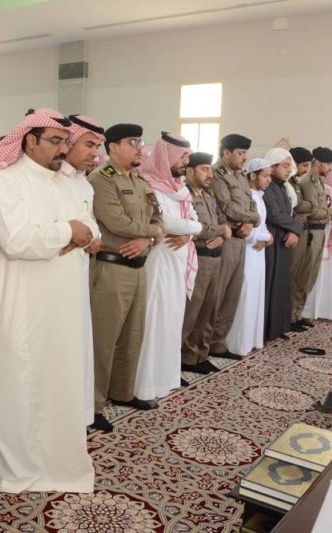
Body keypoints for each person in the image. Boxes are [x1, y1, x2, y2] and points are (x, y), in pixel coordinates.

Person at [0, 108, 97, 493]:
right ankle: (16, 468)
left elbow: (91, 229)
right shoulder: (4, 181)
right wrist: (67, 231)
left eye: (65, 141)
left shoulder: (66, 183)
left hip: (63, 306)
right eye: (55, 141)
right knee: (20, 387)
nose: (63, 149)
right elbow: (16, 240)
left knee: (59, 383)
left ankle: (57, 463)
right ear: (29, 141)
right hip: (21, 306)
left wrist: (70, 233)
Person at [88, 123, 163, 432]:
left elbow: (158, 218)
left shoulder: (141, 181)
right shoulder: (101, 180)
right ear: (113, 147)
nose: (139, 148)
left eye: (140, 142)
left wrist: (149, 237)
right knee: (104, 338)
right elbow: (116, 222)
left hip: (139, 267)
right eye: (133, 142)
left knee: (132, 335)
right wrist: (153, 233)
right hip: (112, 269)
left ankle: (122, 391)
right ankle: (93, 404)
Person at [135, 132, 198, 402]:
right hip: (158, 261)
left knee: (172, 320)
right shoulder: (150, 185)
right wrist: (192, 228)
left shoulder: (181, 189)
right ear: (166, 157)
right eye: (182, 156)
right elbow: (166, 223)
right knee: (154, 321)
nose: (186, 161)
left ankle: (167, 379)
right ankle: (145, 386)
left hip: (178, 262)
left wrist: (190, 231)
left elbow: (194, 220)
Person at [62, 114, 105, 425]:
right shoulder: (51, 179)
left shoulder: (82, 182)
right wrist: (80, 234)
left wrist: (88, 236)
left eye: (97, 146)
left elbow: (91, 226)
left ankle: (80, 414)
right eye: (89, 145)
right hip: (52, 277)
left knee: (78, 346)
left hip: (77, 273)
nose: (95, 154)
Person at [209, 133, 260, 361]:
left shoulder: (239, 175)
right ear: (226, 153)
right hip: (226, 239)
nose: (244, 157)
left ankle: (218, 342)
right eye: (240, 153)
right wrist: (252, 219)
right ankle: (203, 344)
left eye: (245, 153)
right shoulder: (216, 175)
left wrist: (251, 221)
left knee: (232, 293)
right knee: (218, 293)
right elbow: (227, 207)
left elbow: (251, 204)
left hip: (241, 239)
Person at [181, 153, 230, 375]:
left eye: (210, 169)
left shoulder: (209, 194)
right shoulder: (185, 195)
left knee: (209, 309)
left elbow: (222, 221)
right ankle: (183, 356)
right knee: (192, 310)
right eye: (204, 169)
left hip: (216, 257)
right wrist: (222, 231)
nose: (209, 174)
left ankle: (199, 354)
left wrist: (222, 235)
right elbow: (197, 228)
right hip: (198, 257)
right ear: (190, 171)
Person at [226, 157, 273, 356]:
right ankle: (237, 343)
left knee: (255, 296)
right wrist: (264, 237)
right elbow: (244, 229)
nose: (269, 180)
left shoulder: (260, 197)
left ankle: (250, 339)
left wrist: (267, 237)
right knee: (243, 296)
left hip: (258, 254)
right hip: (247, 252)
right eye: (266, 175)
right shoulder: (248, 196)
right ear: (253, 176)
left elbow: (262, 226)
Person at [263, 147, 303, 342]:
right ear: (273, 166)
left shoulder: (283, 187)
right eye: (285, 166)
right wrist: (296, 227)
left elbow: (292, 213)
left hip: (284, 239)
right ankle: (265, 329)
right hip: (272, 240)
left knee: (281, 284)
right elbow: (274, 214)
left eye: (290, 166)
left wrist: (294, 230)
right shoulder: (268, 186)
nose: (289, 170)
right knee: (270, 285)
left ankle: (278, 327)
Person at [295, 147, 332, 326]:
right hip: (311, 233)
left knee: (311, 276)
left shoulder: (318, 181)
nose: (330, 168)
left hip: (320, 232)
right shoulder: (307, 182)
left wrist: (325, 213)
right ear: (317, 162)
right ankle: (293, 316)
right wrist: (331, 212)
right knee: (303, 276)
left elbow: (319, 210)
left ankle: (299, 312)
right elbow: (313, 212)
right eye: (328, 164)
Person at [287, 147, 314, 330]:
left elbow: (307, 207)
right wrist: (310, 206)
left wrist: (308, 207)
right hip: (292, 233)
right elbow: (299, 206)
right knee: (291, 276)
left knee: (300, 277)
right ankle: (288, 317)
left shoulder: (295, 183)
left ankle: (295, 314)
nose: (305, 170)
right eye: (303, 165)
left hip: (302, 231)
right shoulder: (288, 183)